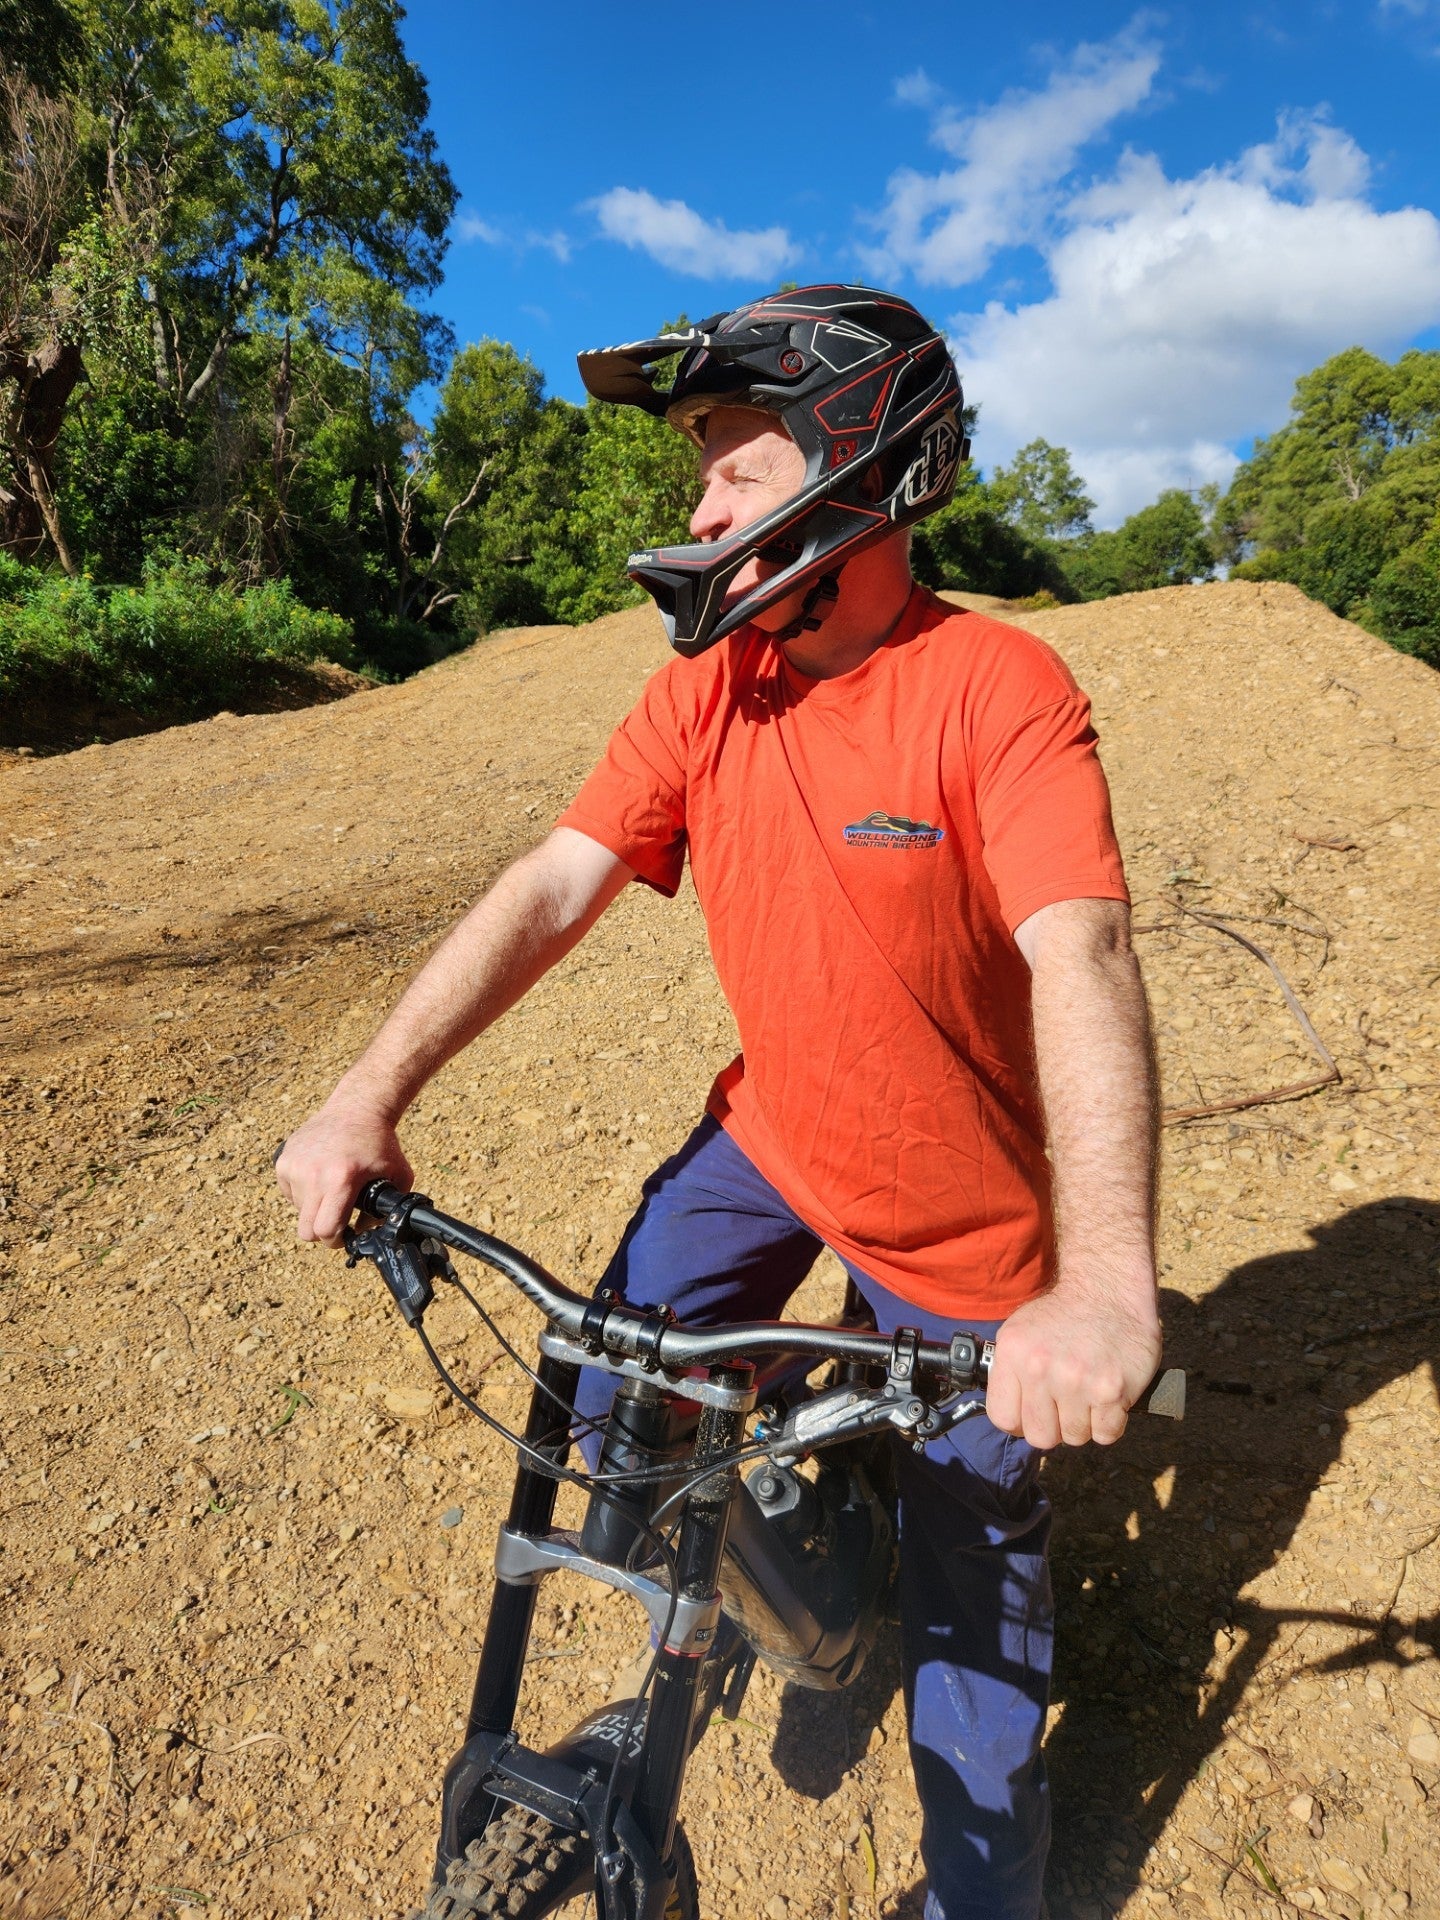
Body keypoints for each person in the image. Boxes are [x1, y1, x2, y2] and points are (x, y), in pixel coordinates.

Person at [275, 283, 1161, 1920]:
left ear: (853, 461)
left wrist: (1100, 1288)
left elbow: (1085, 953)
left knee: (975, 1686)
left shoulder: (999, 692)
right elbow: (554, 885)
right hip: (769, 1146)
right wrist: (365, 1093)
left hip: (964, 1229)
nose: (696, 511)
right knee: (615, 1415)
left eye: (727, 468)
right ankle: (818, 1599)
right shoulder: (714, 686)